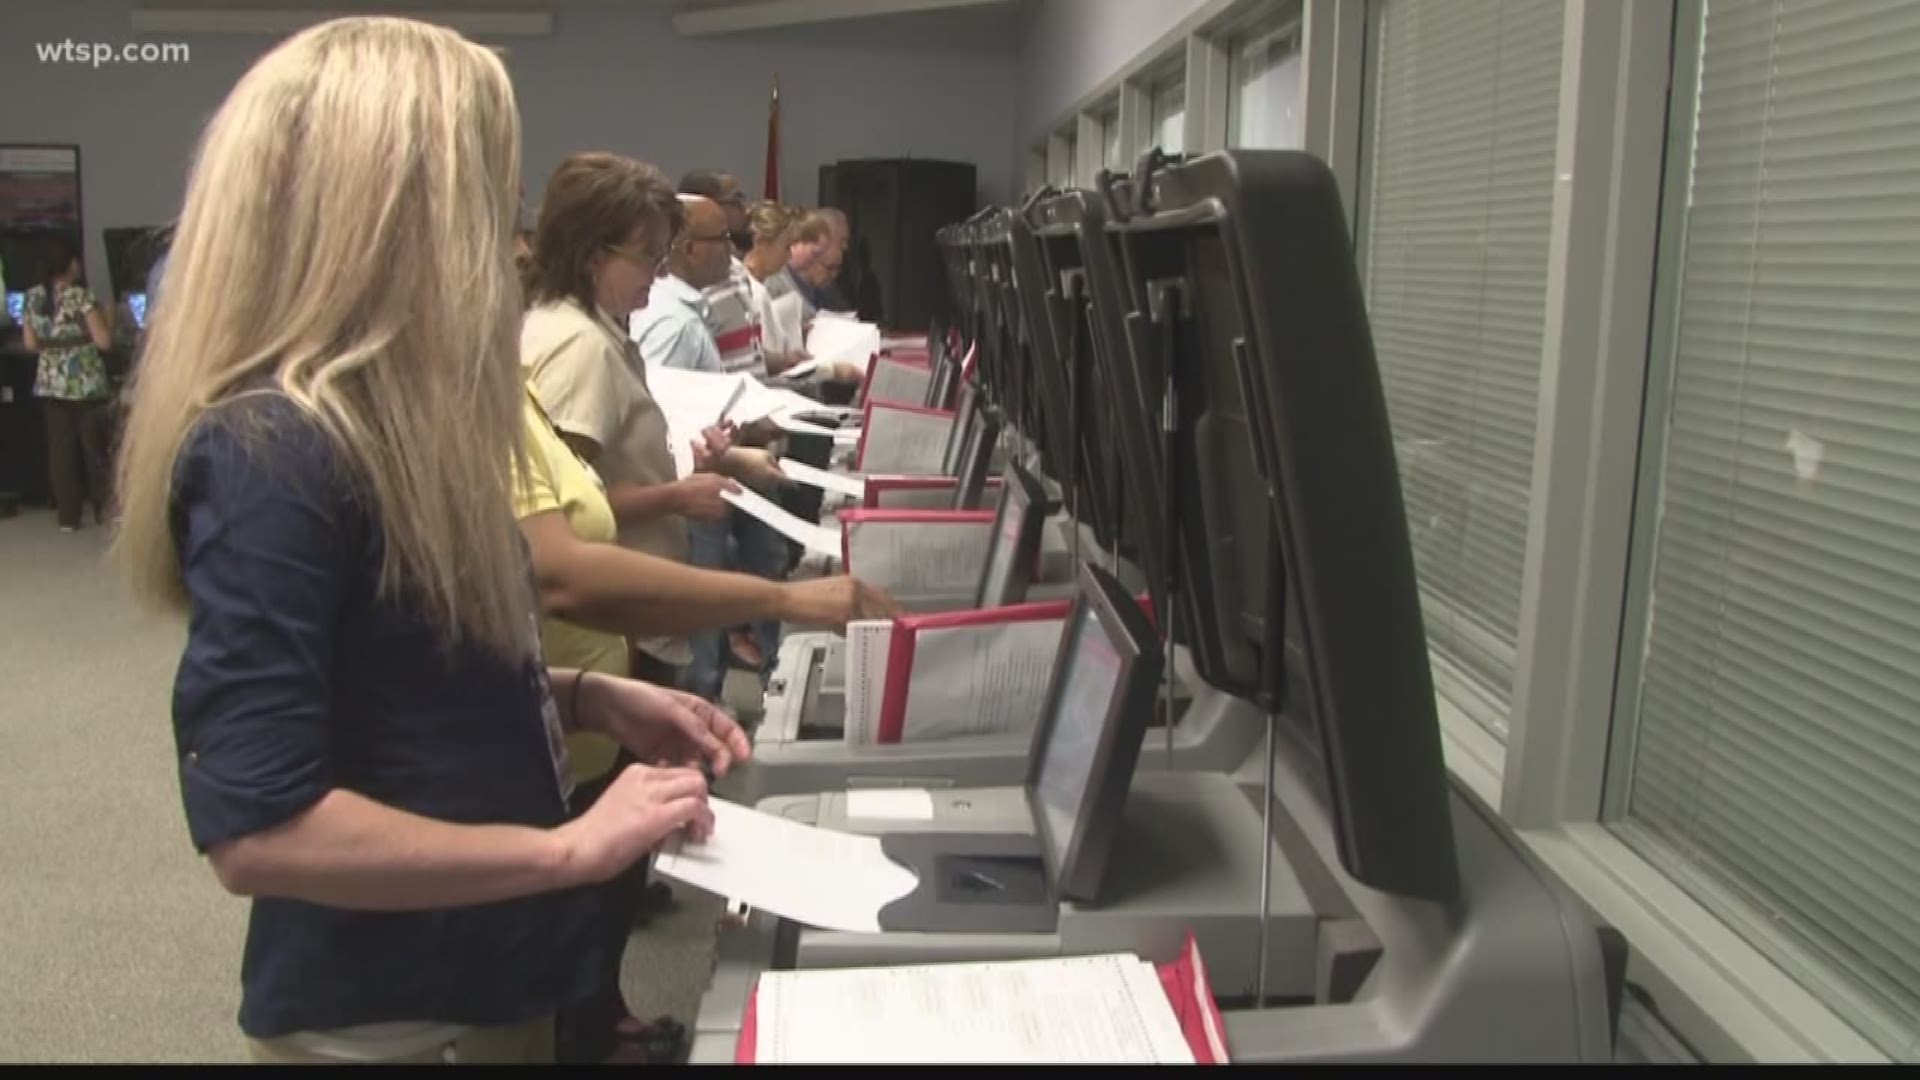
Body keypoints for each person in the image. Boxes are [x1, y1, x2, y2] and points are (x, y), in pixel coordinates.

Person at [112, 17, 747, 1064]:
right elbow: (261, 828)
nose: (508, 248)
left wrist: (584, 696)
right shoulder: (274, 451)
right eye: (486, 207)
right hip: (400, 1019)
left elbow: (402, 677)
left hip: (486, 972)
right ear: (386, 221)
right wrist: (575, 847)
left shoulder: (397, 428)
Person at [19, 234, 115, 532]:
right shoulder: (80, 296)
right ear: (73, 264)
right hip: (86, 384)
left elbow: (30, 344)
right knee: (94, 449)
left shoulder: (33, 297)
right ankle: (103, 509)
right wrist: (110, 317)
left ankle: (68, 517)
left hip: (50, 383)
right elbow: (104, 342)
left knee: (61, 453)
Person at [630, 195, 735, 374]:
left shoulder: (666, 306)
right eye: (723, 237)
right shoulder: (674, 324)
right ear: (690, 250)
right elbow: (659, 398)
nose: (731, 247)